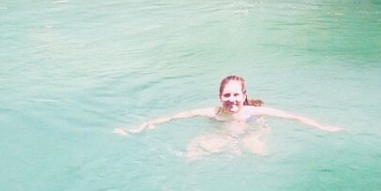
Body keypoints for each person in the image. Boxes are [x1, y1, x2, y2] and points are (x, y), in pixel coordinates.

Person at [116, 75, 341, 136]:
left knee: (258, 154)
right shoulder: (212, 112)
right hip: (222, 135)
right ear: (220, 96)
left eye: (236, 95)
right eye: (227, 95)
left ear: (244, 96)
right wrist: (142, 126)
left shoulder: (254, 111)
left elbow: (291, 117)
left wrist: (322, 127)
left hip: (250, 132)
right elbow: (176, 116)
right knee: (194, 153)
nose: (231, 100)